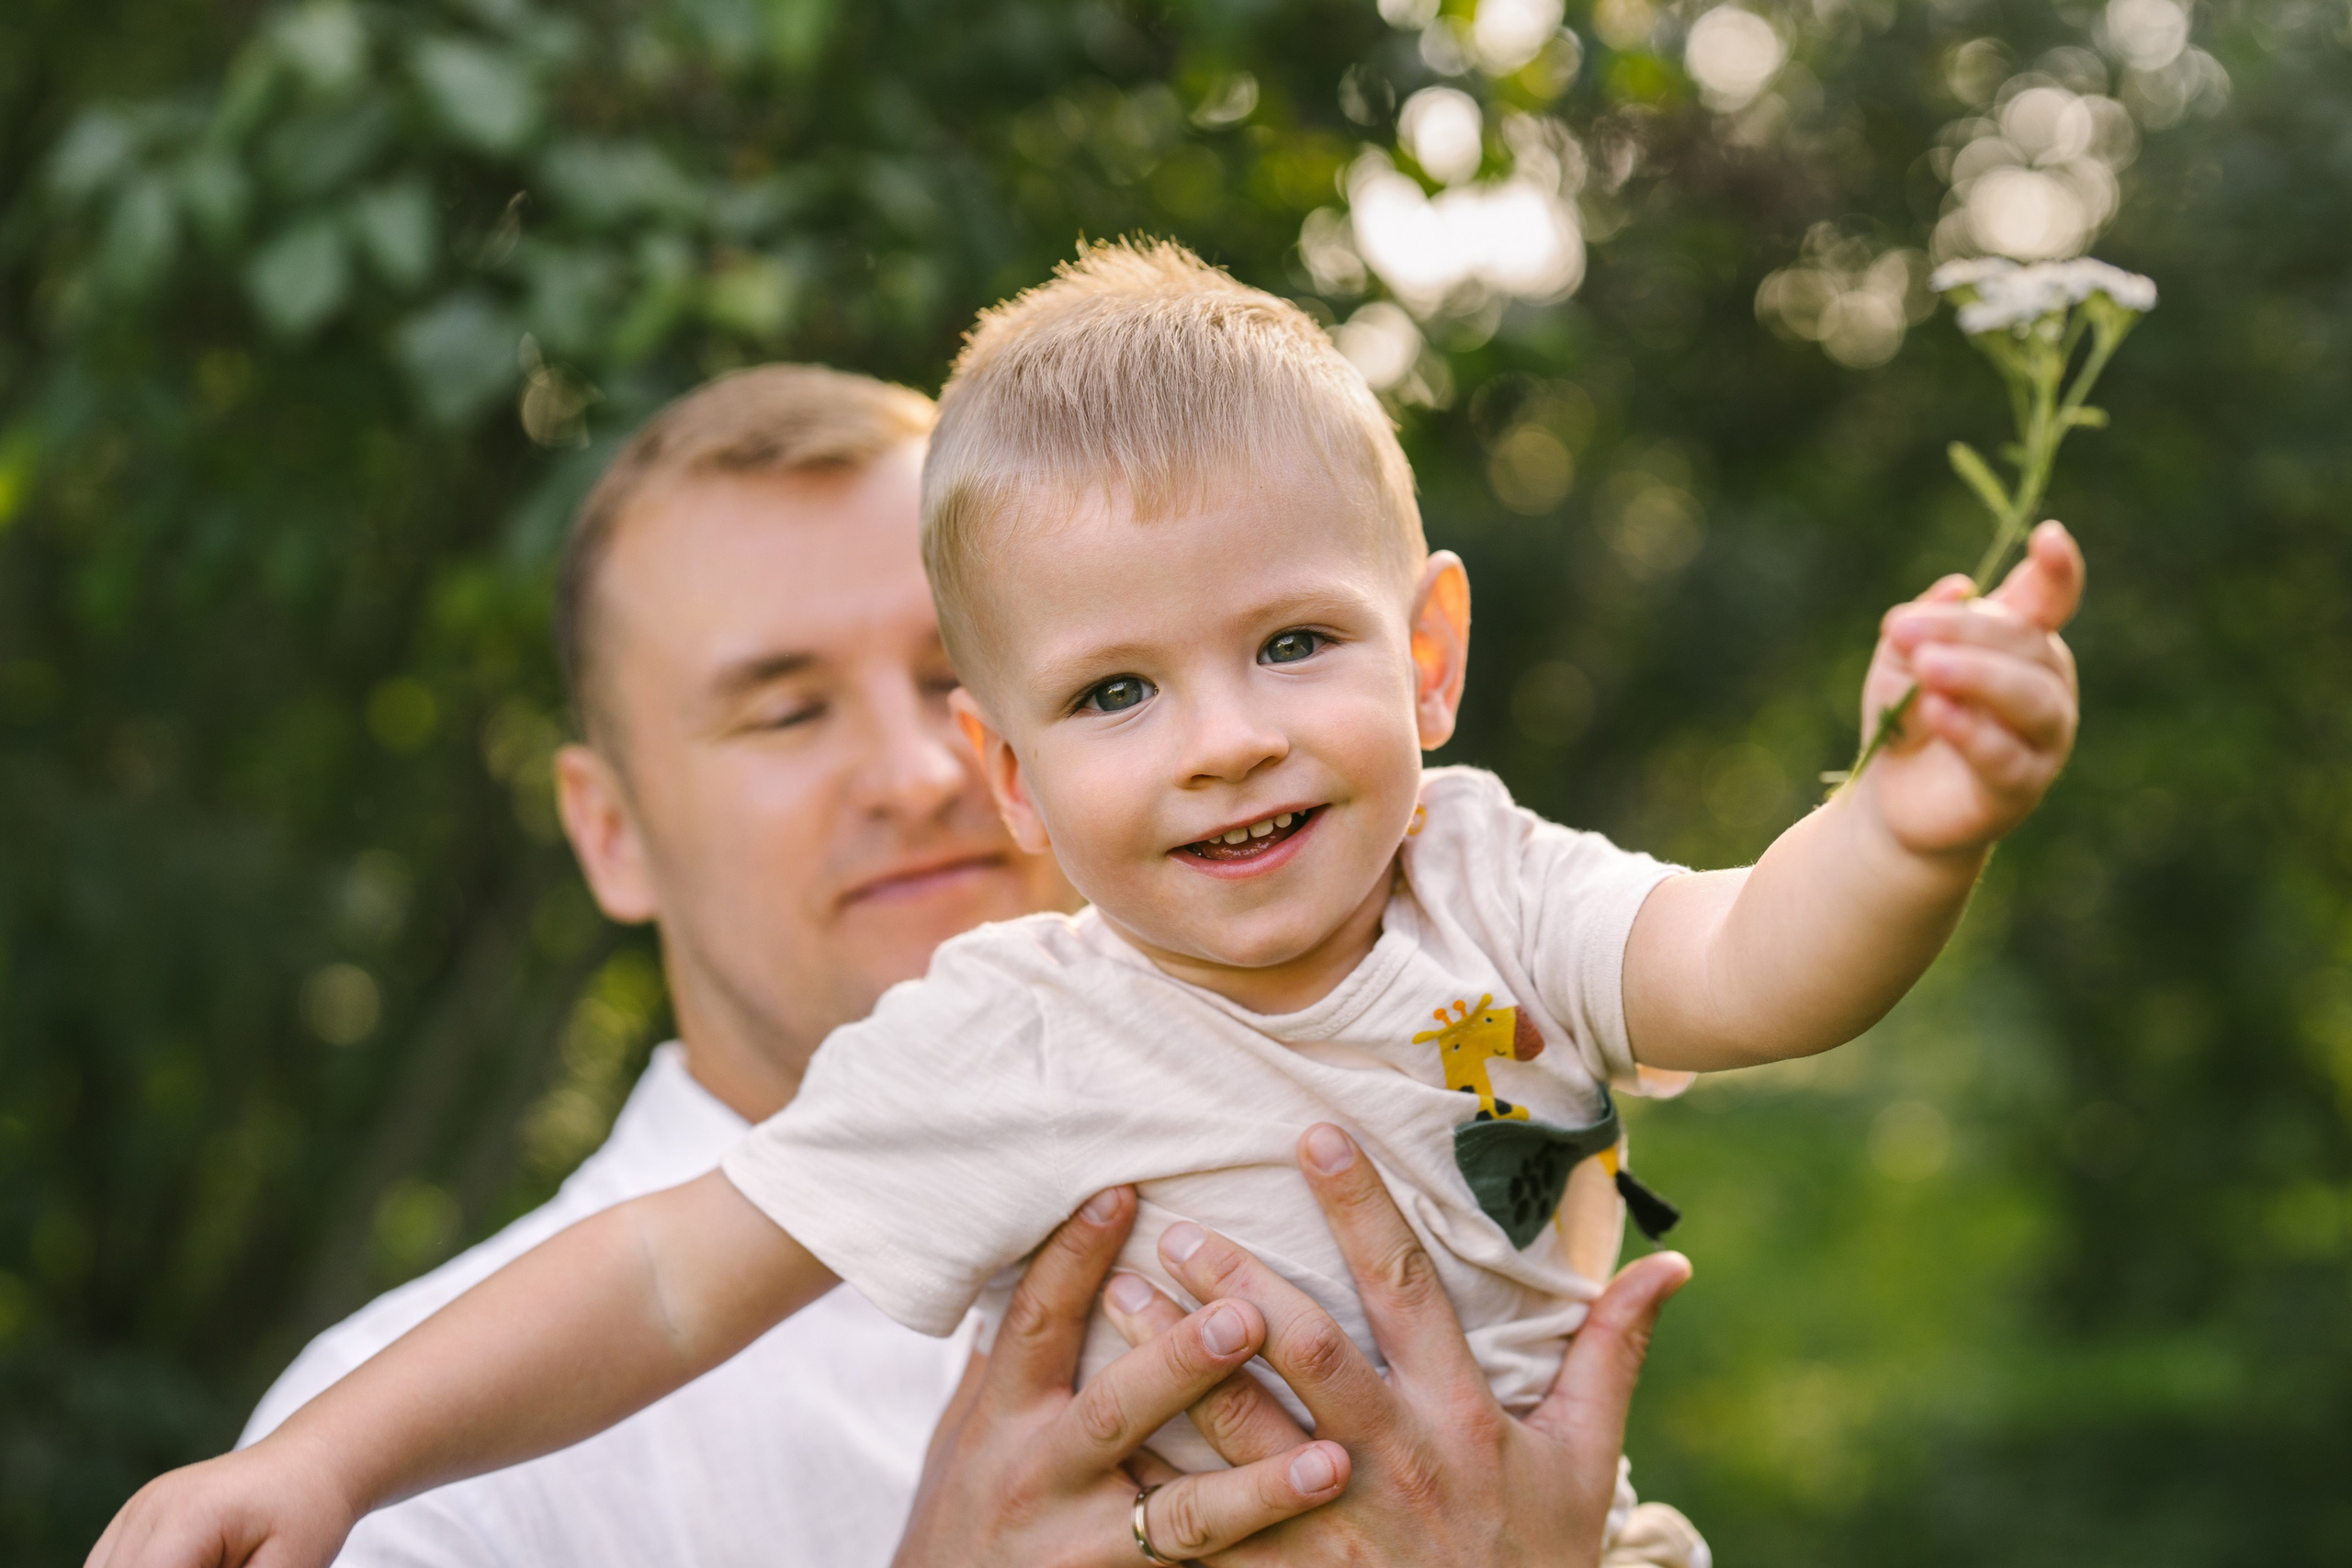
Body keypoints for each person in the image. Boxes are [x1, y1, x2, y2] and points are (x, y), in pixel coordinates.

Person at [97, 237, 2084, 1566]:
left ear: (1426, 655)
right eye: (1116, 691)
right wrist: (330, 1460)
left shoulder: (1488, 886)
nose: (1223, 740)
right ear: (1018, 765)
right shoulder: (1006, 1042)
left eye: (1290, 642)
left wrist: (1908, 825)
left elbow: (1749, 959)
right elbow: (664, 1278)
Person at [221, 361, 1699, 1568]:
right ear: (608, 833)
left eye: (948, 677)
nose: (918, 770)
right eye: (785, 712)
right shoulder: (413, 1483)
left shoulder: (1415, 1051)